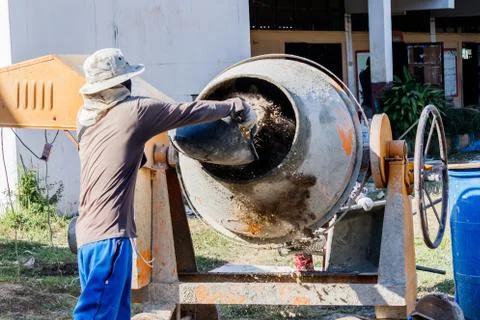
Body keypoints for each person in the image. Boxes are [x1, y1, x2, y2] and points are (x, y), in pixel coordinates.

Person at [73, 48, 256, 319]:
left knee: (115, 311)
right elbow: (185, 112)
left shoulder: (88, 123)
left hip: (87, 237)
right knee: (94, 313)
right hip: (109, 237)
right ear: (123, 83)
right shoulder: (135, 111)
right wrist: (234, 106)